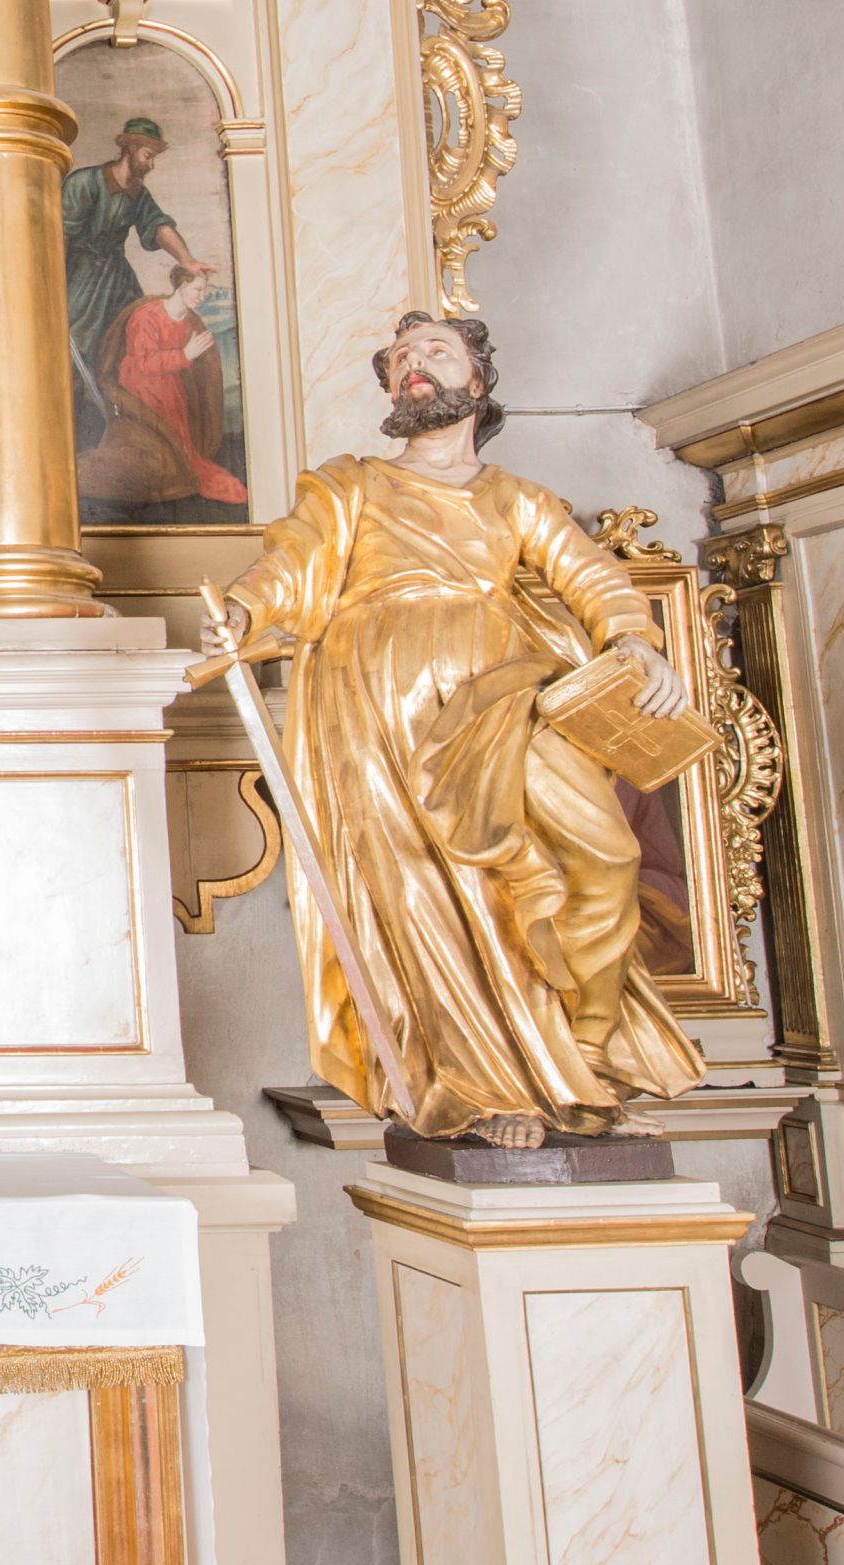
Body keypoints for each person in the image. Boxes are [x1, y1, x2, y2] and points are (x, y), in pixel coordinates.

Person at [190, 309, 706, 1148]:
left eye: (435, 351)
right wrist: (244, 611)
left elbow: (591, 578)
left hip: (500, 694)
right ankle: (484, 1085)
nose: (413, 364)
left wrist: (634, 642)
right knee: (427, 892)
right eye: (400, 357)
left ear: (479, 380)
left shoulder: (516, 499)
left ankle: (585, 1052)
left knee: (603, 855)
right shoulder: (352, 485)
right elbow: (293, 560)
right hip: (375, 709)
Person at [59, 115, 209, 440]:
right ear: (130, 148)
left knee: (129, 345)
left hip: (117, 279)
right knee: (77, 349)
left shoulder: (138, 194)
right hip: (80, 277)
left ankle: (125, 429)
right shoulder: (84, 183)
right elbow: (61, 237)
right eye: (147, 156)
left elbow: (158, 226)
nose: (151, 165)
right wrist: (56, 284)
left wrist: (187, 261)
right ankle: (76, 435)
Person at [84, 252, 244, 514]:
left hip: (169, 386)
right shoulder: (146, 316)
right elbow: (144, 364)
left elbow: (195, 362)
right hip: (140, 388)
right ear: (181, 285)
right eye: (198, 289)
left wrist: (195, 359)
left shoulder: (189, 321)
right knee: (161, 462)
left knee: (182, 454)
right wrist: (185, 355)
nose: (202, 296)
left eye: (204, 290)